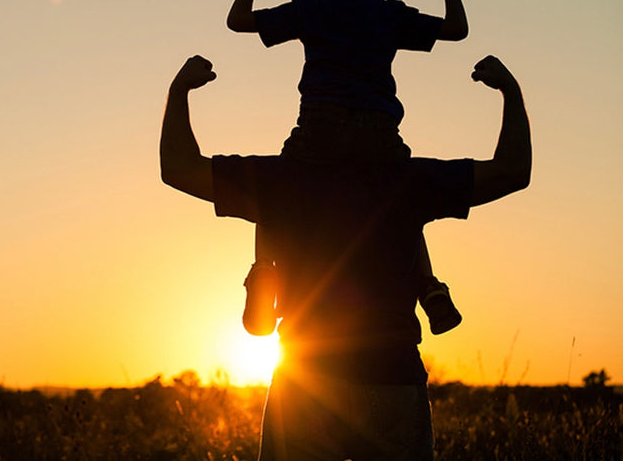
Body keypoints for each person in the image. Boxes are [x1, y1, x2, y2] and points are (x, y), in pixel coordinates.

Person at [160, 53, 531, 460]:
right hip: (394, 376)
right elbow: (512, 170)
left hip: (306, 383)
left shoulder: (280, 179)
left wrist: (180, 90)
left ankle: (263, 274)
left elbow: (178, 168)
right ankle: (431, 289)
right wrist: (509, 92)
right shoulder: (407, 179)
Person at [226, 0, 469, 336]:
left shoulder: (310, 9)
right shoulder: (388, 14)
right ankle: (428, 286)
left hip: (320, 128)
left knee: (271, 191)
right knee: (404, 205)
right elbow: (456, 30)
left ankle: (265, 272)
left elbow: (238, 20)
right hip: (379, 133)